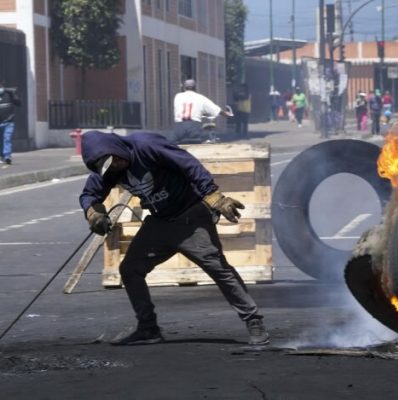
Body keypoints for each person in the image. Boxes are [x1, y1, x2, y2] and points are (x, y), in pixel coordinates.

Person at [78, 130, 270, 346]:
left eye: (115, 160)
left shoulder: (147, 145)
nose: (115, 166)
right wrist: (94, 213)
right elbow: (89, 195)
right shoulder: (107, 169)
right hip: (160, 222)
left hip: (191, 217)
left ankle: (254, 321)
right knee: (130, 269)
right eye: (108, 166)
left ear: (117, 147)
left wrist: (215, 196)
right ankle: (148, 328)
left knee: (218, 268)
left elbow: (189, 164)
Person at [173, 79, 230, 144]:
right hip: (193, 127)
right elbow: (215, 109)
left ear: (183, 87)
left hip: (179, 127)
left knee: (177, 142)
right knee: (197, 142)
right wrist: (225, 114)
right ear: (195, 87)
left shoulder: (177, 96)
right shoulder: (200, 97)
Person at [0, 81, 21, 165]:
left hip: (9, 122)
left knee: (7, 138)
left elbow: (18, 103)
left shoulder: (9, 94)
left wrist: (14, 95)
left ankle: (7, 156)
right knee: (1, 140)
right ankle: (2, 155)